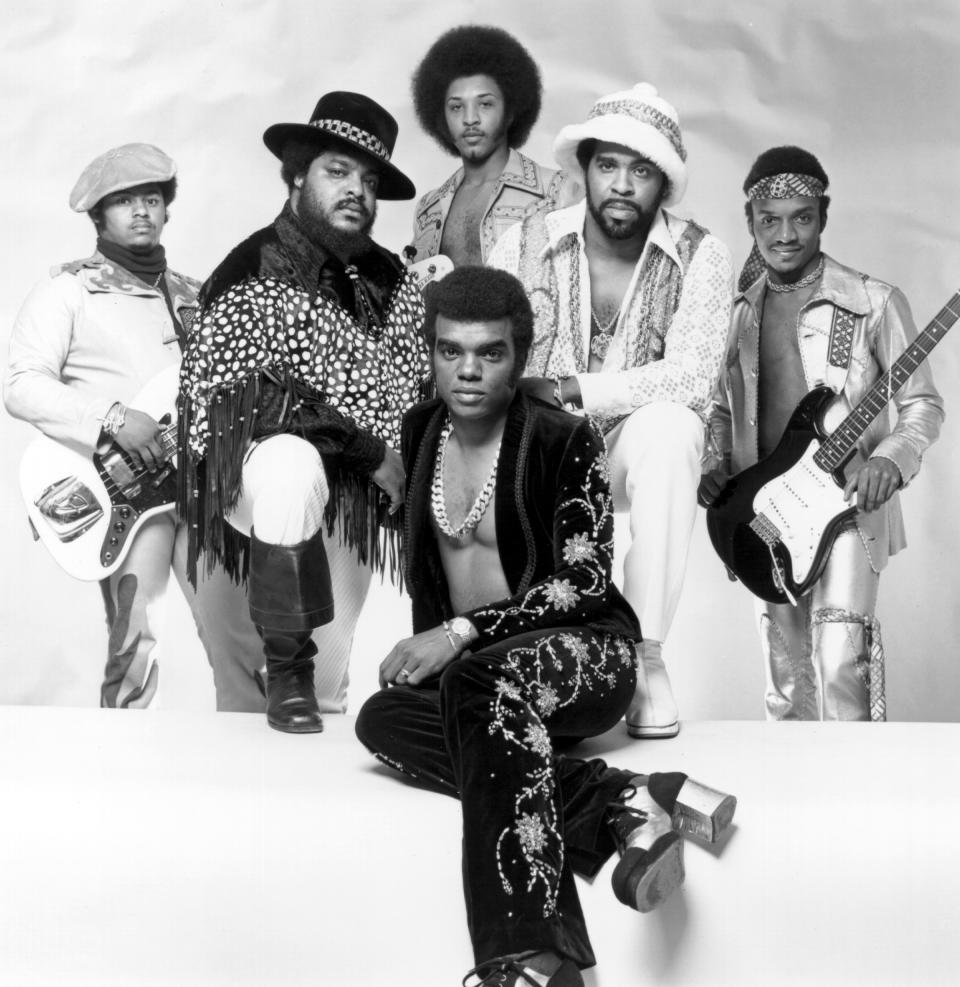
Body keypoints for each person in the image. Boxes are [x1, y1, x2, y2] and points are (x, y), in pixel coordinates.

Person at [355, 267, 736, 986]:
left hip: (585, 660)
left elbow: (584, 581)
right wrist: (443, 648)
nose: (466, 370)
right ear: (432, 351)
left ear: (519, 356)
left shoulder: (564, 438)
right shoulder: (420, 429)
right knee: (380, 719)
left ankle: (530, 956)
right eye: (449, 350)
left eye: (489, 352)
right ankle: (619, 799)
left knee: (476, 676)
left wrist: (462, 633)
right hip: (485, 690)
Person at [178, 92, 429, 733]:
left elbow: (414, 385)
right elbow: (250, 400)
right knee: (292, 463)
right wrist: (370, 450)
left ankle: (307, 804)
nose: (357, 192)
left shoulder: (392, 281)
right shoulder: (251, 267)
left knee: (330, 691)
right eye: (337, 172)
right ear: (296, 175)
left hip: (352, 494)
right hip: (256, 473)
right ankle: (284, 674)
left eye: (369, 181)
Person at [488, 83, 734, 739]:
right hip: (539, 449)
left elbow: (689, 377)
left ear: (664, 183)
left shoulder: (701, 254)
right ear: (587, 167)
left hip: (628, 444)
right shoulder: (523, 243)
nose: (622, 184)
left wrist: (574, 389)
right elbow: (489, 352)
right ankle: (513, 662)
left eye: (642, 169)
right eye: (609, 165)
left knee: (675, 426)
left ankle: (644, 654)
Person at [698, 146, 944, 720]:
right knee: (785, 677)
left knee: (840, 661)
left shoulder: (872, 302)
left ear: (823, 217)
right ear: (751, 222)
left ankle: (854, 799)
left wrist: (892, 458)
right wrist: (713, 465)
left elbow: (923, 404)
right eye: (770, 219)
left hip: (849, 505)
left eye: (802, 217)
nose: (786, 234)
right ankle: (794, 803)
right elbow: (717, 410)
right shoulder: (736, 314)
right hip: (767, 511)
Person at [4, 142, 252, 709]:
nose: (141, 211)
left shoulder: (200, 296)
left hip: (207, 484)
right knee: (136, 641)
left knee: (240, 638)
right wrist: (112, 418)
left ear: (167, 209)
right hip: (129, 493)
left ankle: (256, 780)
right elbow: (21, 385)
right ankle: (123, 776)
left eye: (152, 199)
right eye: (124, 202)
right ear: (99, 216)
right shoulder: (66, 290)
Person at [408, 25, 566, 268]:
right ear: (441, 118)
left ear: (511, 112)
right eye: (456, 107)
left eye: (485, 104)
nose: (470, 119)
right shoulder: (429, 209)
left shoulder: (556, 192)